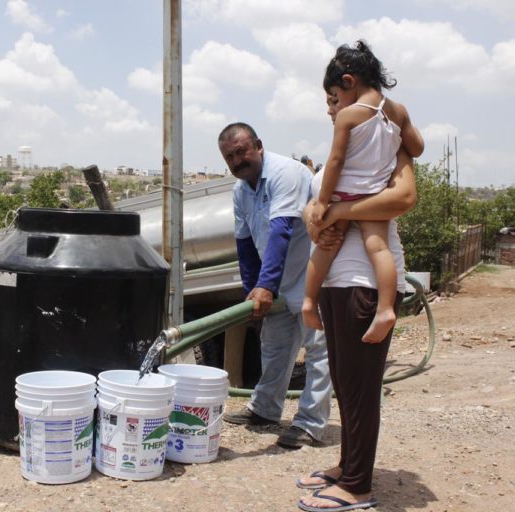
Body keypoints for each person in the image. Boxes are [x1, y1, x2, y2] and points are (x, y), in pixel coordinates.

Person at [295, 94, 418, 511]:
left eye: (336, 98)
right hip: (335, 281)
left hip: (365, 281)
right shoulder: (344, 149)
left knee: (361, 388)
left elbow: (402, 198)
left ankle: (358, 486)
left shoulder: (390, 144)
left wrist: (337, 212)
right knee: (344, 384)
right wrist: (318, 219)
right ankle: (347, 466)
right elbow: (317, 207)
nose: (331, 108)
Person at [218, 122, 332, 449]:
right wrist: (251, 292)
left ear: (259, 146)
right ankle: (265, 409)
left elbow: (281, 230)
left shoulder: (286, 173)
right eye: (230, 157)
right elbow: (245, 245)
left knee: (318, 351)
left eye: (242, 152)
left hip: (314, 274)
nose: (238, 161)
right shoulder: (241, 191)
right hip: (280, 280)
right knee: (275, 347)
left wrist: (265, 286)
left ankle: (311, 423)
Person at [302, 41, 424, 344]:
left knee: (326, 246)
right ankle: (385, 310)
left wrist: (324, 202)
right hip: (372, 198)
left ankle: (307, 301)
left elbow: (335, 161)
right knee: (378, 249)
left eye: (335, 97)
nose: (334, 105)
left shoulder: (350, 116)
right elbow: (418, 147)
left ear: (348, 82)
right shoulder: (397, 112)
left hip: (345, 195)